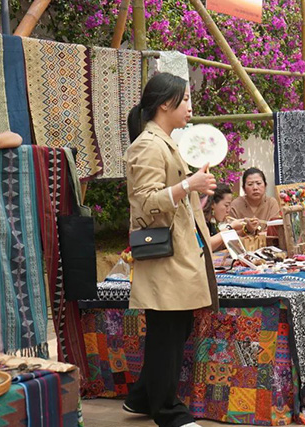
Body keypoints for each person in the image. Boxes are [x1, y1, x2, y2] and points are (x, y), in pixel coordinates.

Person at [123, 72, 217, 427]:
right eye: (186, 100)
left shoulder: (164, 142)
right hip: (165, 259)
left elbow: (171, 200)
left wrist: (195, 194)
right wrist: (186, 185)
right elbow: (144, 204)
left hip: (178, 255)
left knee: (173, 331)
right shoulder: (147, 145)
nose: (191, 108)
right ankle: (167, 412)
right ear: (165, 103)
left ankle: (141, 399)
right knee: (168, 334)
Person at [203, 183, 255, 251]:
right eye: (226, 205)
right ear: (213, 204)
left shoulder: (212, 223)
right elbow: (207, 245)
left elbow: (220, 242)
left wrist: (246, 229)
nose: (228, 210)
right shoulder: (202, 220)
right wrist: (230, 227)